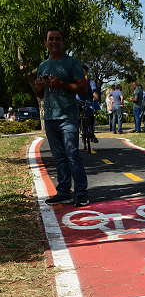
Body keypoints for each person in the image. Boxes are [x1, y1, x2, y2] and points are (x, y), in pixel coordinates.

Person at [34, 26, 89, 207]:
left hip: (68, 117)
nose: (54, 42)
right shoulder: (42, 66)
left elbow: (83, 88)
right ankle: (64, 192)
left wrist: (61, 84)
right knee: (59, 157)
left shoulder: (72, 63)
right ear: (45, 42)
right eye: (51, 39)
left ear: (63, 43)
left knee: (72, 154)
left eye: (58, 39)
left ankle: (81, 193)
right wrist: (39, 89)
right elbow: (41, 96)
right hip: (50, 118)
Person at [76, 63, 99, 143]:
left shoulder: (91, 82)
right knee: (75, 116)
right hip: (78, 102)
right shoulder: (76, 82)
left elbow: (94, 91)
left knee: (91, 117)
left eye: (84, 72)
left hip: (88, 102)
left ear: (87, 72)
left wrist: (95, 97)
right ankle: (78, 130)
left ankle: (92, 135)